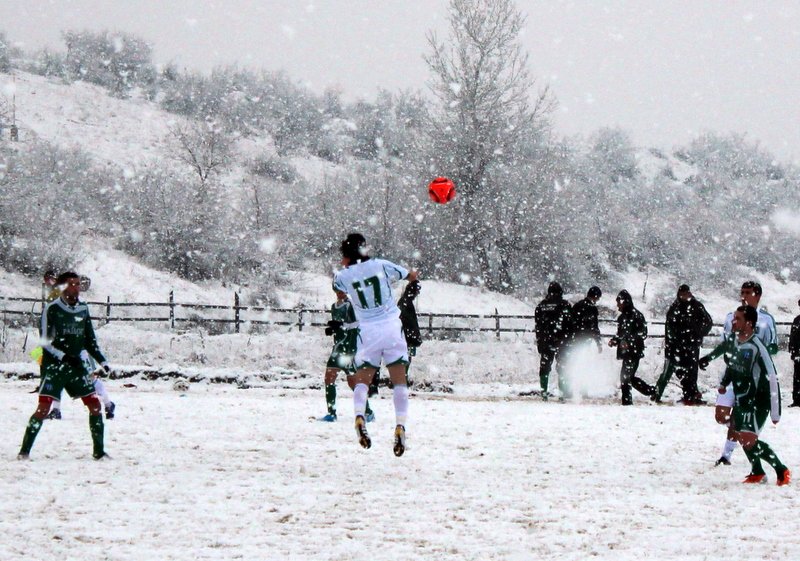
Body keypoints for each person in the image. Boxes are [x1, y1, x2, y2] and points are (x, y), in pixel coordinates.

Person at [333, 233, 417, 457]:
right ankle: (400, 425)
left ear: (347, 255)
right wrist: (413, 278)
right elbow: (409, 275)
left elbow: (339, 291)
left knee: (362, 381)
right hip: (391, 326)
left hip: (368, 330)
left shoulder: (343, 276)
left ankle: (359, 415)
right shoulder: (381, 265)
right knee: (400, 382)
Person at [17, 271, 113, 460]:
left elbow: (89, 339)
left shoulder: (83, 309)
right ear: (62, 287)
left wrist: (103, 361)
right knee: (44, 409)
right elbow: (45, 342)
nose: (76, 288)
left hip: (77, 366)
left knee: (94, 405)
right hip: (54, 367)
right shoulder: (51, 309)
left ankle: (99, 452)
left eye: (78, 284)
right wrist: (63, 356)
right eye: (72, 284)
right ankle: (24, 451)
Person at [699, 305, 790, 485]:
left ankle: (782, 470)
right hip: (742, 398)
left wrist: (775, 411)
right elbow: (732, 364)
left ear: (749, 323)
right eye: (734, 318)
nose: (733, 322)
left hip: (758, 399)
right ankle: (757, 472)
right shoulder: (734, 341)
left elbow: (772, 377)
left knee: (748, 439)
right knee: (740, 434)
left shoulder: (757, 346)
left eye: (738, 319)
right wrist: (724, 382)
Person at [713, 281, 778, 466]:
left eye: (748, 292)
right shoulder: (730, 317)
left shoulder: (766, 320)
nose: (744, 296)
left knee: (737, 419)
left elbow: (774, 345)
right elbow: (726, 343)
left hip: (752, 380)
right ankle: (736, 428)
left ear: (757, 295)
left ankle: (726, 455)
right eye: (742, 292)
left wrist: (758, 351)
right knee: (721, 416)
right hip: (733, 373)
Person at [318, 290, 375, 423]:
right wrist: (332, 329)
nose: (340, 293)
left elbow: (356, 324)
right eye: (337, 290)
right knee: (329, 378)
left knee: (352, 382)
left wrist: (341, 326)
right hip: (338, 347)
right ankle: (331, 413)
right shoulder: (334, 306)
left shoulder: (351, 305)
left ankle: (368, 411)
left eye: (342, 290)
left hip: (348, 348)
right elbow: (338, 324)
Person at [653, 284, 713, 405]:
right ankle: (658, 394)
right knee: (672, 371)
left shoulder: (696, 307)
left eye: (686, 294)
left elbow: (708, 322)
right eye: (682, 294)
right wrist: (672, 342)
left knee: (691, 371)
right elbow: (669, 327)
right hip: (676, 346)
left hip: (691, 346)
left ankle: (691, 395)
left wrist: (697, 335)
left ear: (689, 294)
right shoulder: (675, 307)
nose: (684, 296)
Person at [608, 290, 655, 405]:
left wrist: (629, 341)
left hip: (633, 351)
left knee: (625, 377)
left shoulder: (636, 316)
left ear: (625, 302)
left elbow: (643, 333)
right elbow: (621, 334)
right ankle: (651, 391)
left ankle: (628, 401)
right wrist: (616, 340)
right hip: (629, 351)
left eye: (619, 302)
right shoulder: (623, 317)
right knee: (629, 377)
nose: (618, 305)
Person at [534, 282, 573, 400]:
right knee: (562, 367)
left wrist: (540, 342)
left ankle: (544, 392)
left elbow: (538, 326)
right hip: (561, 341)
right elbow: (570, 324)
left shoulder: (541, 306)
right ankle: (562, 394)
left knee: (544, 368)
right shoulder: (565, 305)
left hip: (546, 341)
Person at [571, 286, 603, 351]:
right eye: (598, 298)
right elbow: (594, 326)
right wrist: (598, 342)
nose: (598, 300)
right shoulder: (592, 309)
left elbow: (571, 321)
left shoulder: (577, 305)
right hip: (586, 338)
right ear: (595, 297)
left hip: (575, 337)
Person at [789, 299, 800, 407]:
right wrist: (792, 350)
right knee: (797, 377)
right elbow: (793, 336)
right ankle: (797, 399)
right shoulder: (797, 320)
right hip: (798, 354)